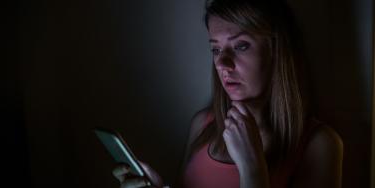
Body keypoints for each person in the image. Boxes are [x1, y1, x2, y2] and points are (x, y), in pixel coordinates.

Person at [112, 0, 344, 187]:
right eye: (216, 49)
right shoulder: (202, 124)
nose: (222, 63)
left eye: (241, 45)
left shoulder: (320, 144)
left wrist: (252, 169)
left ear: (277, 51)